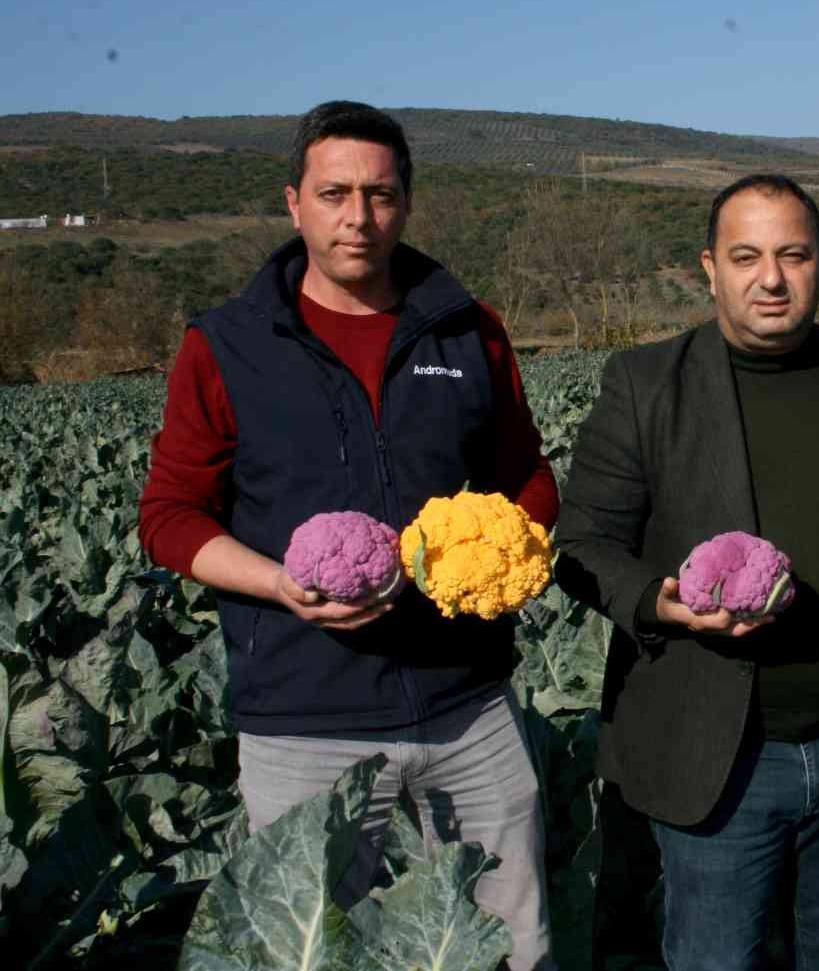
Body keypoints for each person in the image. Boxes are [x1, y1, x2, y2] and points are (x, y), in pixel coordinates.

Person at [138, 101, 559, 970]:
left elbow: (527, 477)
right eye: (335, 193)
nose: (357, 218)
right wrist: (278, 585)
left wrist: (498, 558)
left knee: (512, 941)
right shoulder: (227, 344)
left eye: (380, 194)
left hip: (465, 704)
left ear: (405, 203)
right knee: (306, 952)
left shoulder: (467, 329)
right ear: (294, 202)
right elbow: (171, 516)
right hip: (304, 720)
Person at [554, 174, 819, 970]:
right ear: (709, 267)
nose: (770, 278)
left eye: (792, 255)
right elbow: (582, 543)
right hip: (720, 754)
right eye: (746, 256)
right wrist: (663, 605)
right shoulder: (644, 384)